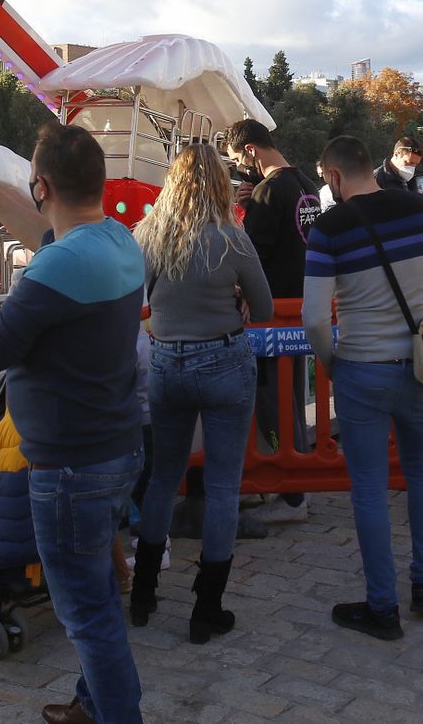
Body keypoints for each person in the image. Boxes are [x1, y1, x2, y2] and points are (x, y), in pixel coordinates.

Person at [0, 123, 146, 724]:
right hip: (118, 448)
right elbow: (49, 236)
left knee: (86, 613)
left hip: (70, 465)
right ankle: (92, 703)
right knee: (96, 590)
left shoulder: (53, 270)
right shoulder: (119, 240)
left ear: (42, 186)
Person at [304, 136, 423, 639]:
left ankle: (382, 606)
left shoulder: (329, 228)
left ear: (332, 176)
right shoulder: (420, 207)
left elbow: (314, 317)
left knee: (369, 487)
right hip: (421, 365)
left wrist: (332, 362)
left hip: (362, 366)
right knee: (422, 471)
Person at [131, 145, 274, 642]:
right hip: (224, 361)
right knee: (223, 486)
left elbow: (137, 299)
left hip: (166, 361)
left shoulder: (148, 236)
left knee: (162, 477)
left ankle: (143, 592)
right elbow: (265, 307)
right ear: (218, 184)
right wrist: (233, 296)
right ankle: (207, 607)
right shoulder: (231, 239)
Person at [226, 119, 320, 522]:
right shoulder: (305, 184)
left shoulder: (269, 191)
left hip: (269, 318)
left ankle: (292, 495)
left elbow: (251, 256)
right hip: (298, 310)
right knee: (292, 400)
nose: (238, 168)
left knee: (272, 404)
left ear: (250, 150)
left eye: (237, 159)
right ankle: (296, 485)